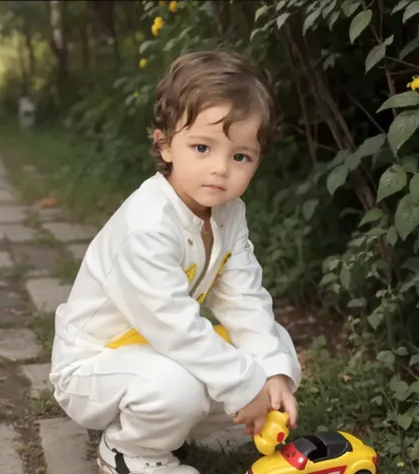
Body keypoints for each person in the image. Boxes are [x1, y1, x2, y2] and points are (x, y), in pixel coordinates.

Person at [49, 49, 301, 474]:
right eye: (202, 147)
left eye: (240, 156)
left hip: (153, 349)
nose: (220, 169)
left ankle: (166, 426)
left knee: (274, 344)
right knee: (178, 387)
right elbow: (176, 328)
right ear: (165, 144)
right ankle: (130, 451)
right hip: (94, 366)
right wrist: (243, 384)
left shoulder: (228, 213)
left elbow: (245, 299)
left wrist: (271, 376)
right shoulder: (146, 226)